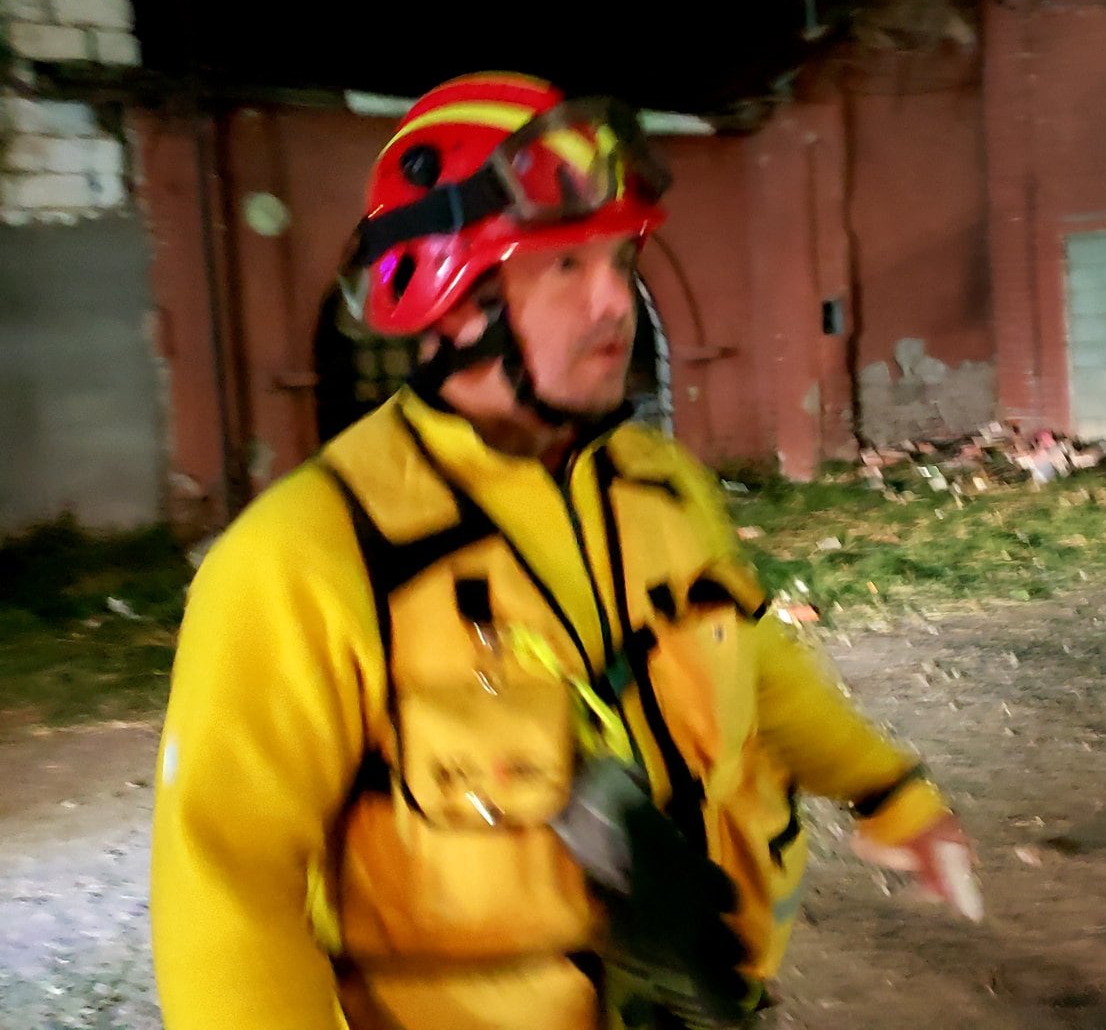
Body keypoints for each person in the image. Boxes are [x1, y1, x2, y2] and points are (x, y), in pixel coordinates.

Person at [150, 72, 978, 1030]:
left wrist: (889, 792)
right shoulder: (305, 556)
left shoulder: (661, 487)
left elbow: (755, 659)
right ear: (451, 298)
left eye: (620, 264)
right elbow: (226, 896)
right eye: (565, 269)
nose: (615, 304)